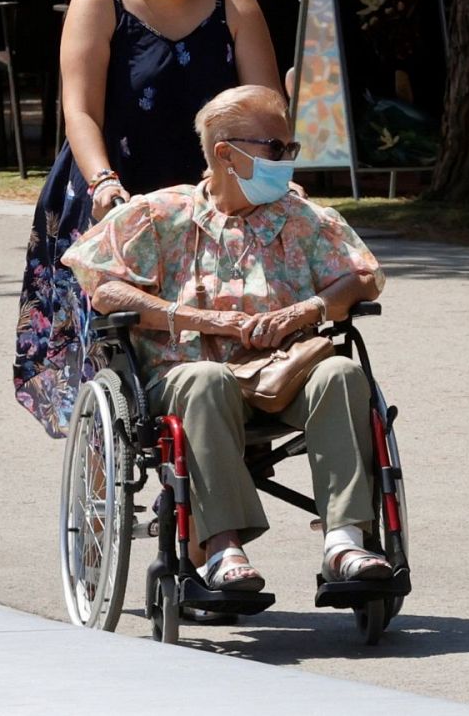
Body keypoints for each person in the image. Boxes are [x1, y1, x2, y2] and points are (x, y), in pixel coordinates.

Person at [62, 85, 392, 590]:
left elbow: (362, 277)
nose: (287, 162)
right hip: (185, 381)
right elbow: (103, 289)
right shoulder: (158, 215)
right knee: (205, 379)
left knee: (341, 372)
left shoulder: (301, 219)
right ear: (225, 153)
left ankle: (344, 540)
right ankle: (220, 548)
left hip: (281, 376)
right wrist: (201, 320)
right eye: (276, 149)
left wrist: (305, 310)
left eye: (291, 149)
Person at [15, 0, 283, 436]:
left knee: (224, 329)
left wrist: (270, 173)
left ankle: (214, 443)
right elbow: (81, 112)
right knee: (116, 344)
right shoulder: (99, 1)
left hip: (211, 197)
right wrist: (104, 183)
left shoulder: (234, 3)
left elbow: (264, 109)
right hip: (118, 189)